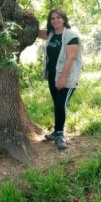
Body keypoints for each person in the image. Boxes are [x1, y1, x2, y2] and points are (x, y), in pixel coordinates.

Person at [26, 9, 82, 149]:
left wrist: (62, 79)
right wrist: (34, 19)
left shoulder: (71, 36)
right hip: (53, 75)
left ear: (64, 19)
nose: (55, 20)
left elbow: (71, 58)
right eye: (52, 18)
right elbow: (37, 32)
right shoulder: (50, 34)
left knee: (60, 105)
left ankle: (60, 135)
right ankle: (57, 131)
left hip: (67, 77)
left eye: (58, 17)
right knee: (57, 104)